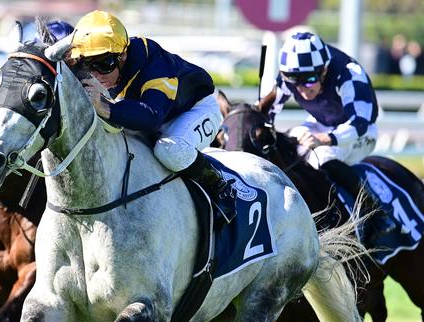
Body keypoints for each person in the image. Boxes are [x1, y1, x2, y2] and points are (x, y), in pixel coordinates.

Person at [67, 10, 235, 222]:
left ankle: (219, 186)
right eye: (88, 65)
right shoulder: (102, 66)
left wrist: (106, 108)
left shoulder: (155, 64)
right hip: (151, 112)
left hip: (195, 110)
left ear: (123, 55)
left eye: (104, 64)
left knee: (169, 151)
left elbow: (152, 116)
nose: (97, 75)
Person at [257, 31, 395, 241]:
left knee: (324, 157)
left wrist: (325, 139)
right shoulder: (291, 75)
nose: (302, 90)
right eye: (294, 82)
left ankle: (376, 212)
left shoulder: (349, 75)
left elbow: (359, 124)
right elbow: (267, 113)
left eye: (310, 80)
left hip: (359, 133)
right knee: (288, 146)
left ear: (325, 70)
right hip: (320, 123)